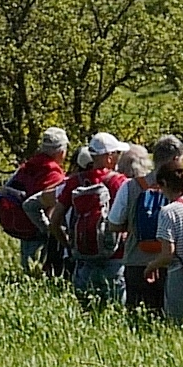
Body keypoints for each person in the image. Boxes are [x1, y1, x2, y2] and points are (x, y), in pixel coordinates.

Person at [121, 136, 183, 323]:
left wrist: (151, 266)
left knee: (174, 327)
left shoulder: (168, 211)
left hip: (178, 276)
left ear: (162, 184)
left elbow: (168, 254)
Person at [60, 134, 130, 314]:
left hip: (83, 257)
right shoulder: (120, 182)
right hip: (115, 256)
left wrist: (70, 244)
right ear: (108, 157)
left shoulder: (75, 182)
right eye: (116, 154)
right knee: (115, 313)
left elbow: (54, 221)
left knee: (85, 311)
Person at [0, 127, 69, 280]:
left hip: (23, 228)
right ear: (61, 152)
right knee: (39, 276)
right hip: (38, 232)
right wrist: (51, 231)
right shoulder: (54, 174)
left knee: (28, 272)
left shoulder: (27, 167)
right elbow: (49, 211)